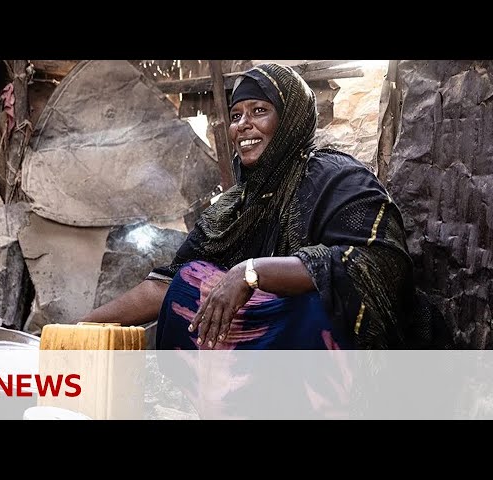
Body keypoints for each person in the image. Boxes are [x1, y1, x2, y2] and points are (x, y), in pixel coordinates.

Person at [80, 62, 446, 351]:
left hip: (346, 359)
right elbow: (164, 284)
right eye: (236, 115)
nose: (243, 125)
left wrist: (252, 272)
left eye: (259, 110)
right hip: (266, 365)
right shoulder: (234, 208)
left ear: (289, 120)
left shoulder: (336, 179)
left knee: (315, 305)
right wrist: (81, 328)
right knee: (187, 286)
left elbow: (380, 266)